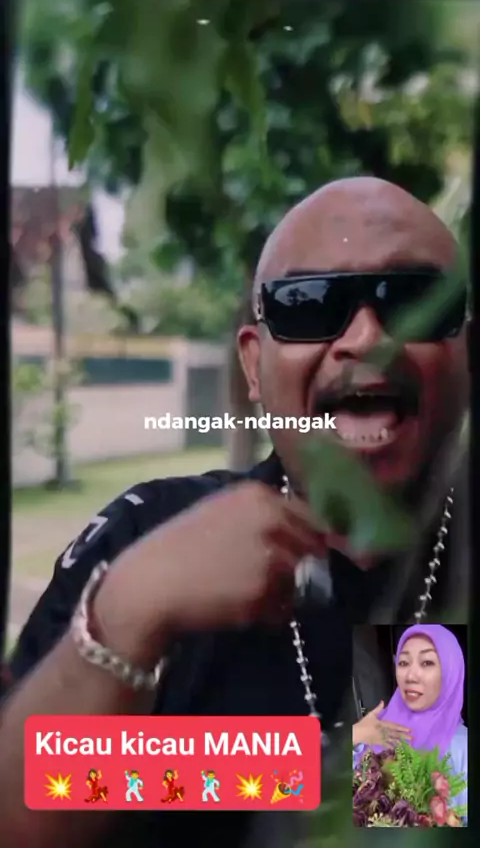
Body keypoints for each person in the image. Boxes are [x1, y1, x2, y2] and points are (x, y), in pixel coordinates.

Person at [0, 177, 469, 848]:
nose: (367, 337)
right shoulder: (146, 532)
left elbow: (403, 802)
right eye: (309, 305)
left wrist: (279, 771)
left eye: (413, 299)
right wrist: (128, 612)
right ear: (253, 365)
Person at [352, 624, 467, 819]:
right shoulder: (375, 729)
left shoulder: (462, 746)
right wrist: (354, 735)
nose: (410, 676)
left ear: (450, 670)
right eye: (404, 663)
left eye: (427, 663)